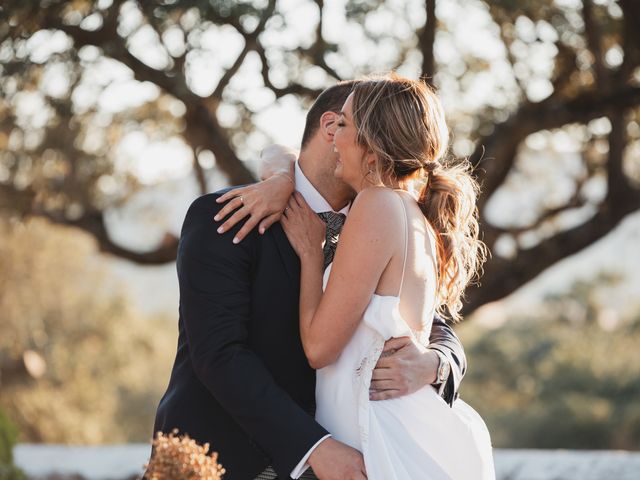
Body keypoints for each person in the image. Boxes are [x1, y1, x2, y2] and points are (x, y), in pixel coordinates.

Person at [151, 79, 469, 480]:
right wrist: (313, 446)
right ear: (330, 127)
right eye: (342, 126)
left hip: (349, 454)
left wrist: (436, 364)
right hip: (223, 462)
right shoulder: (227, 216)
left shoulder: (379, 216)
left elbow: (429, 324)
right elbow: (218, 354)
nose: (341, 141)